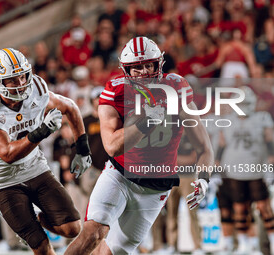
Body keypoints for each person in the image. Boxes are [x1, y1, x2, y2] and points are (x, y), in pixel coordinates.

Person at [65, 36, 214, 255]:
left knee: (112, 252)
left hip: (156, 186)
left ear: (159, 64)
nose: (143, 71)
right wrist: (145, 123)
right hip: (120, 174)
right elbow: (112, 147)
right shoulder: (115, 91)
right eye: (137, 68)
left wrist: (203, 179)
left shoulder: (176, 87)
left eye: (148, 65)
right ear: (126, 70)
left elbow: (204, 147)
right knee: (94, 232)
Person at [0, 48, 92, 255]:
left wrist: (82, 148)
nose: (21, 83)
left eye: (23, 76)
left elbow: (70, 107)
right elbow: (7, 154)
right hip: (3, 180)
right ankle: (29, 228)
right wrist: (42, 131)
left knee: (72, 228)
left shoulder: (37, 89)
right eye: (13, 80)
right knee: (41, 247)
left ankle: (35, 219)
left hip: (34, 168)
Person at [219, 86, 274, 254]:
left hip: (256, 170)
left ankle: (272, 241)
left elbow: (270, 141)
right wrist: (216, 169)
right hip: (234, 170)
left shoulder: (262, 118)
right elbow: (221, 145)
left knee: (264, 206)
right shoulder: (228, 120)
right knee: (239, 207)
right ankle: (245, 245)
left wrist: (270, 166)